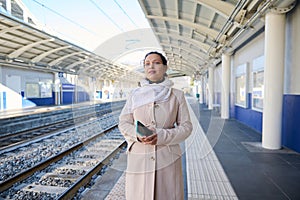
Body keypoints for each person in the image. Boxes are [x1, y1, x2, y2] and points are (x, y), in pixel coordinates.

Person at [118, 51, 193, 200]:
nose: (151, 66)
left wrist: (161, 136)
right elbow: (124, 123)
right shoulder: (135, 94)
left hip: (167, 157)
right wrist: (138, 136)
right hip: (139, 157)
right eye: (147, 63)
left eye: (156, 62)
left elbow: (186, 127)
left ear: (165, 67)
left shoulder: (177, 95)